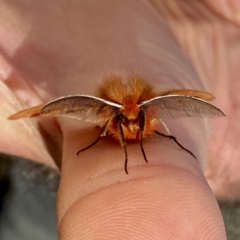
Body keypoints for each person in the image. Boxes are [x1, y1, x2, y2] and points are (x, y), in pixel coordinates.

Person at [2, 0, 239, 239]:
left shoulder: (151, 112)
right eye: (127, 120)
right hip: (54, 205)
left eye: (137, 119)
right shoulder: (110, 116)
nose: (133, 124)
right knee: (36, 223)